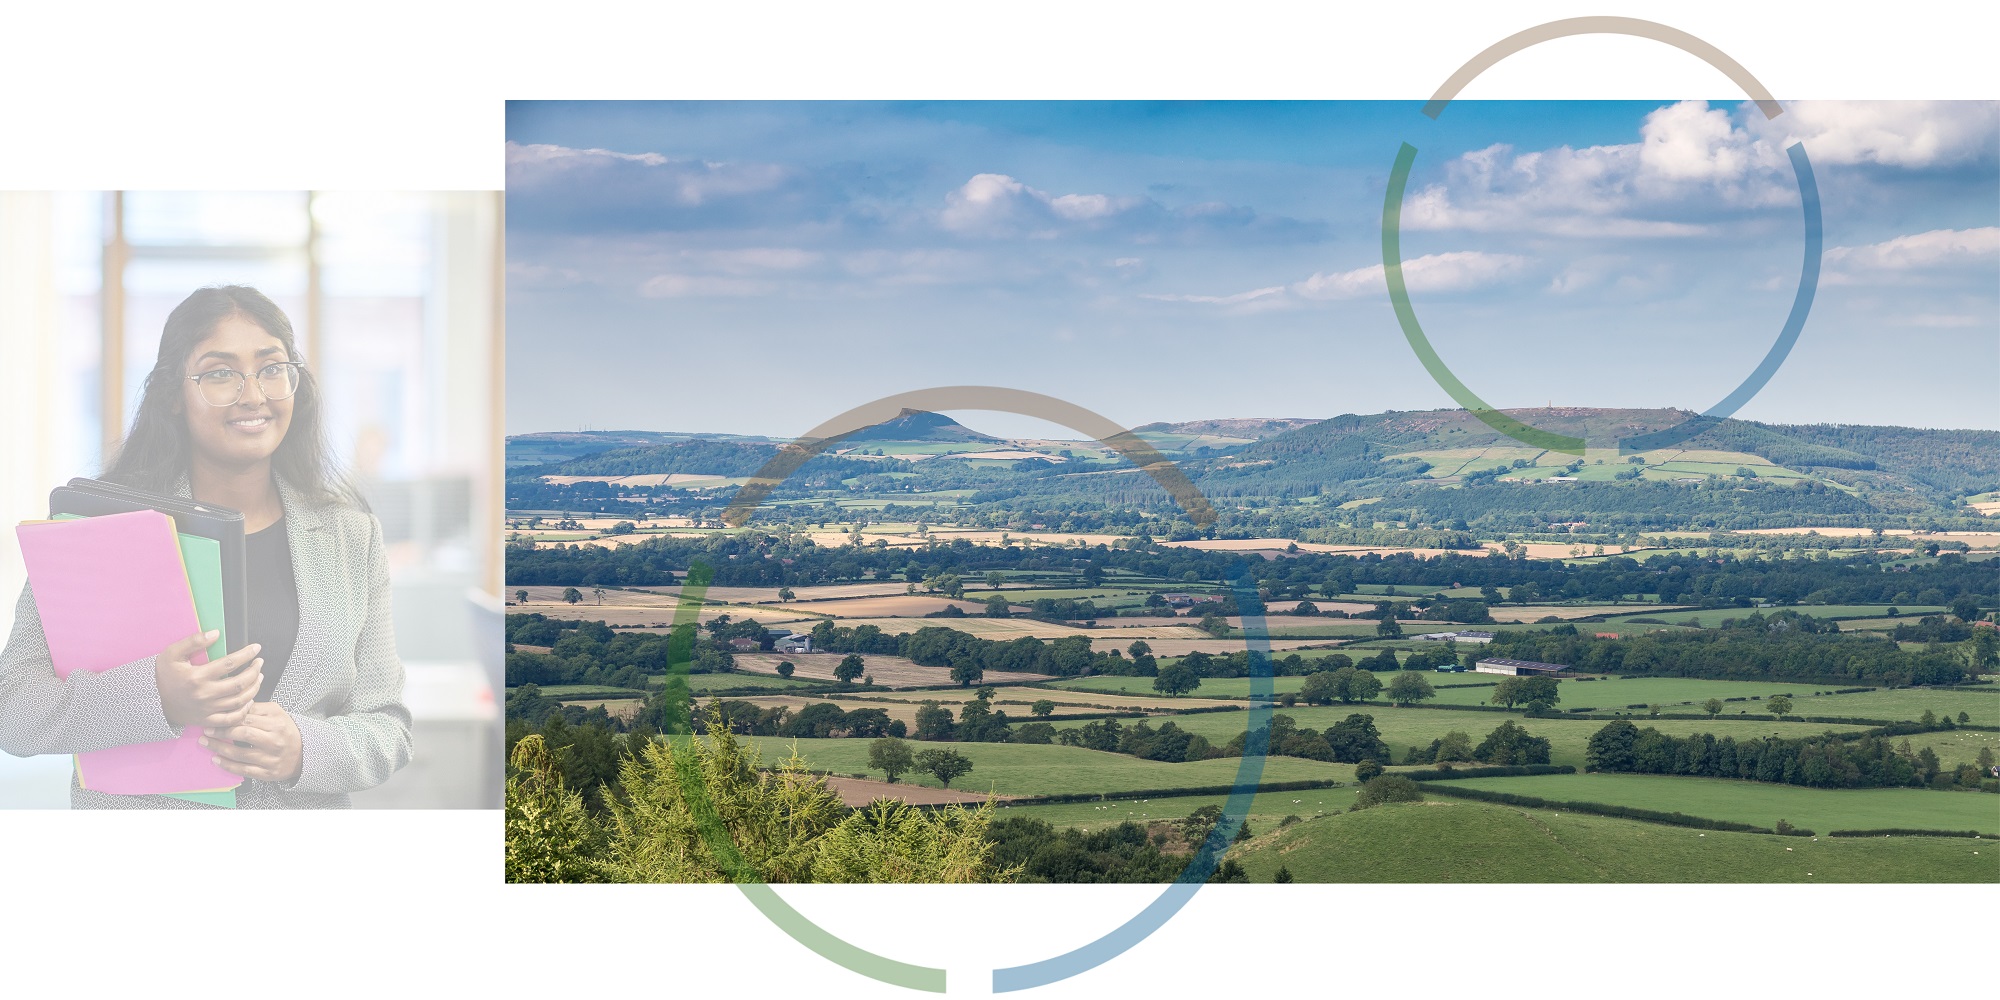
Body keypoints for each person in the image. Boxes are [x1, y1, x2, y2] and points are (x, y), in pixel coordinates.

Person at [0, 285, 411, 808]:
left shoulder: (352, 537)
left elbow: (389, 727)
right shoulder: (99, 532)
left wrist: (305, 749)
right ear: (174, 393)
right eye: (220, 372)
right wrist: (157, 697)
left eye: (271, 367)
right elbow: (12, 709)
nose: (253, 394)